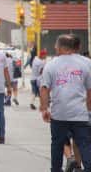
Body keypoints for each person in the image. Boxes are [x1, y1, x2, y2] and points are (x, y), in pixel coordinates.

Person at [40, 34, 91, 172]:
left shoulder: (51, 65)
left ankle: (56, 169)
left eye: (56, 45)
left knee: (57, 144)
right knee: (85, 144)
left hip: (59, 114)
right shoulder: (86, 63)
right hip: (80, 114)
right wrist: (89, 109)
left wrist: (44, 109)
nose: (55, 47)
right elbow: (89, 89)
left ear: (61, 47)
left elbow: (44, 88)